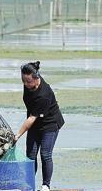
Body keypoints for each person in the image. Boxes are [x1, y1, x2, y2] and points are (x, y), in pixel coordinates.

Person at [14, 61, 65, 191]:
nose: (25, 84)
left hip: (50, 124)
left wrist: (18, 135)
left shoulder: (44, 94)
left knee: (45, 154)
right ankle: (28, 184)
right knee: (30, 155)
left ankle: (45, 185)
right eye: (23, 81)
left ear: (36, 78)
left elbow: (32, 117)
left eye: (28, 82)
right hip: (34, 123)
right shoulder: (29, 83)